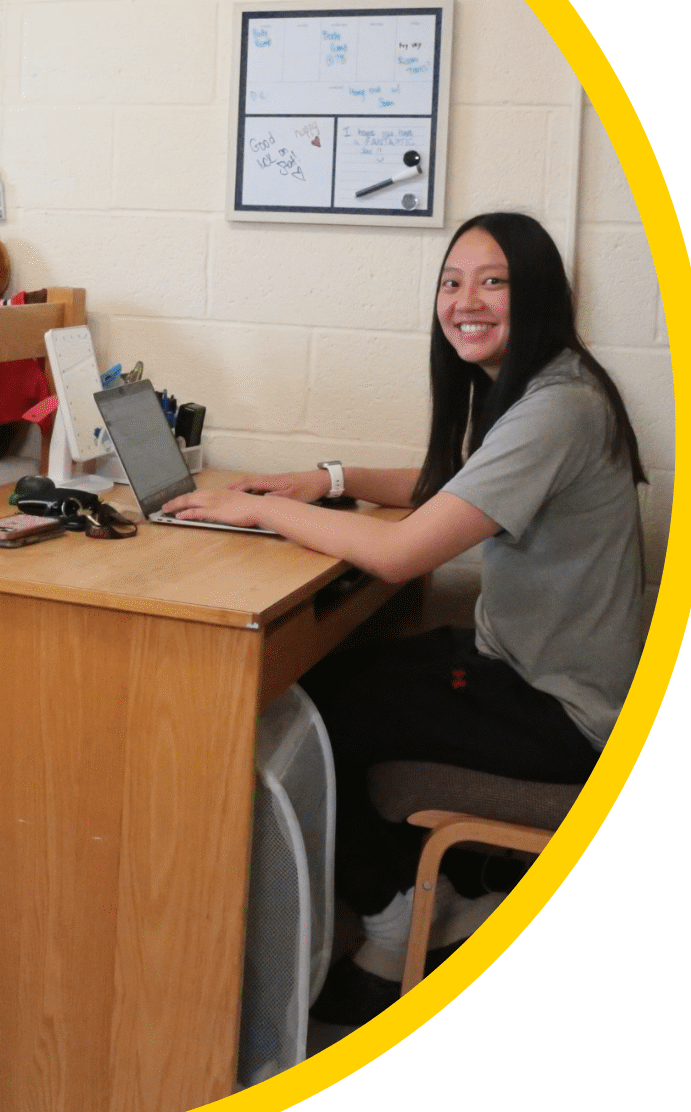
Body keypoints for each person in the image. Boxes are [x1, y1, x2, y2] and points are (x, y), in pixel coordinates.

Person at [160, 211, 646, 1025]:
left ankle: (399, 930)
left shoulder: (558, 407)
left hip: (565, 710)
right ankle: (423, 902)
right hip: (528, 669)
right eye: (451, 283)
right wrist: (327, 481)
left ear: (540, 298)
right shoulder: (546, 388)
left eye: (493, 282)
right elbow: (449, 485)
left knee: (303, 716)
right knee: (316, 680)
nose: (466, 301)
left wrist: (260, 514)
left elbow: (403, 553)